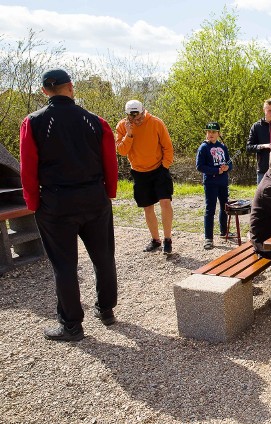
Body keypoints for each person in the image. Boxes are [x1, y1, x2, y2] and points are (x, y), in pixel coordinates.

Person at [19, 68, 118, 341]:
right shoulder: (95, 121)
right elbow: (110, 161)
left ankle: (72, 325)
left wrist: (33, 202)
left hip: (56, 202)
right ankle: (106, 310)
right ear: (71, 87)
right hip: (94, 197)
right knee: (103, 256)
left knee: (64, 265)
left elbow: (28, 169)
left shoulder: (33, 122)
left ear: (44, 91)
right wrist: (110, 191)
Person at [115, 99, 175, 255]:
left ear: (143, 111)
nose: (137, 120)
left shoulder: (156, 122)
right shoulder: (122, 126)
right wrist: (129, 134)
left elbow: (167, 146)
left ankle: (168, 239)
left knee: (165, 202)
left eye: (139, 117)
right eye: (133, 118)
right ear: (127, 116)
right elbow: (121, 151)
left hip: (159, 169)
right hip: (139, 172)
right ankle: (156, 240)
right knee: (147, 207)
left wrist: (165, 165)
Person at [196, 122, 232, 250]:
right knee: (210, 209)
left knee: (225, 207)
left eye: (213, 132)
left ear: (218, 133)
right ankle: (208, 238)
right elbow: (200, 166)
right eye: (209, 132)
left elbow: (230, 162)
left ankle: (224, 231)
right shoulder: (203, 148)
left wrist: (227, 167)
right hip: (210, 183)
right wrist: (216, 171)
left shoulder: (223, 146)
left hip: (223, 182)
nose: (211, 134)